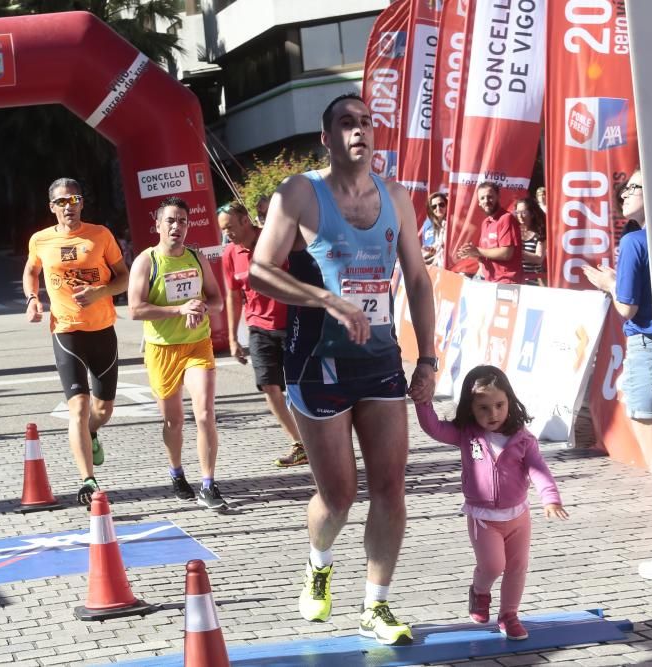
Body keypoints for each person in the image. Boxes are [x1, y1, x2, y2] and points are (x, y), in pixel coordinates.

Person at [249, 93, 437, 646]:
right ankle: (319, 562)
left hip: (379, 362)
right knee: (339, 495)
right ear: (326, 139)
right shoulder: (299, 194)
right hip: (315, 363)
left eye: (365, 122)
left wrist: (426, 356)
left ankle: (375, 605)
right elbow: (260, 272)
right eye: (346, 124)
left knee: (391, 488)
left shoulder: (396, 197)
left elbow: (420, 281)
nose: (358, 131)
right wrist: (327, 300)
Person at [416, 365, 568, 638]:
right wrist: (422, 400)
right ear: (470, 408)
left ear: (510, 401)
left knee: (517, 567)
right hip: (483, 517)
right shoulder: (466, 434)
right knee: (493, 566)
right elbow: (433, 427)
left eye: (499, 405)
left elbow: (538, 468)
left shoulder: (523, 438)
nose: (493, 413)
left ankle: (509, 615)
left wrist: (551, 499)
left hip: (518, 517)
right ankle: (479, 591)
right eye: (483, 407)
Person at [581, 169, 652, 582]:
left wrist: (606, 282)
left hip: (649, 350)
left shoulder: (635, 242)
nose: (623, 195)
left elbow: (627, 309)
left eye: (633, 187)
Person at [23, 178, 129, 508]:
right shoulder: (40, 240)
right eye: (62, 202)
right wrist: (31, 299)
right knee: (78, 408)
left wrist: (100, 291)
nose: (69, 206)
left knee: (102, 410)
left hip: (102, 329)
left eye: (74, 200)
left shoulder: (100, 235)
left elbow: (123, 276)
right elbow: (31, 270)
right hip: (66, 331)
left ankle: (93, 432)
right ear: (52, 207)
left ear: (82, 203)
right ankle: (87, 479)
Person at [128, 196, 228, 511]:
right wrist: (178, 309)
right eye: (170, 220)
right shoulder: (147, 261)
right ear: (157, 225)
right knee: (174, 421)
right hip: (162, 349)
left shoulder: (197, 258)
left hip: (197, 344)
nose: (177, 227)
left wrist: (201, 307)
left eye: (182, 221)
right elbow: (135, 309)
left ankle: (209, 484)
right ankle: (176, 473)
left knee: (204, 414)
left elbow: (217, 301)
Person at [219, 201, 308, 468]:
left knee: (300, 388)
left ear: (246, 221)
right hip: (258, 327)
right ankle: (298, 443)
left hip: (292, 323)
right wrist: (234, 338)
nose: (227, 234)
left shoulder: (275, 240)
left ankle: (321, 437)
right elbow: (233, 295)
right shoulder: (229, 254)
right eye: (224, 230)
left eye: (230, 228)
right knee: (268, 385)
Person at [457, 181, 522, 284]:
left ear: (498, 197)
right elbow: (487, 254)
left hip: (507, 282)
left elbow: (506, 253)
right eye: (482, 198)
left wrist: (478, 250)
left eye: (490, 196)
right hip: (489, 282)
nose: (486, 201)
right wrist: (471, 252)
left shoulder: (506, 218)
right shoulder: (485, 223)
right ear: (478, 202)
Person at [514, 197, 547, 286]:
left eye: (523, 212)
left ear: (532, 213)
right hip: (515, 279)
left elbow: (539, 258)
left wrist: (516, 251)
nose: (520, 216)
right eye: (517, 212)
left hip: (533, 281)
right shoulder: (514, 231)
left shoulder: (540, 232)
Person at [421, 191, 447, 268]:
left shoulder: (453, 222)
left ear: (447, 205)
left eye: (441, 205)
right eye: (434, 206)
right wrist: (429, 251)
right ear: (430, 209)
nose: (438, 208)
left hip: (451, 268)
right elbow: (428, 249)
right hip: (435, 267)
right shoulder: (428, 224)